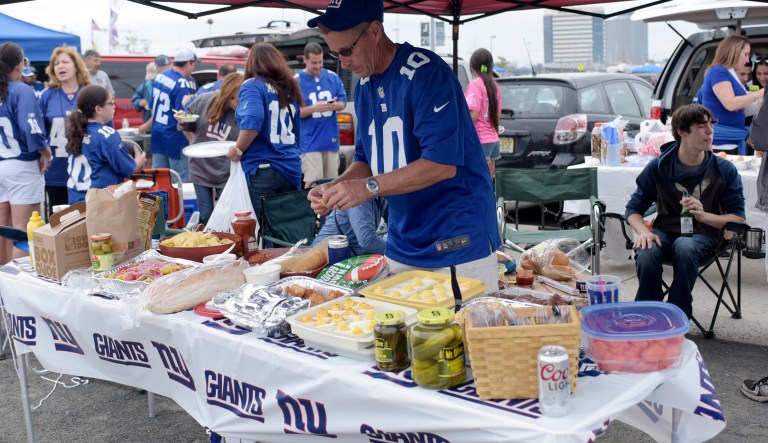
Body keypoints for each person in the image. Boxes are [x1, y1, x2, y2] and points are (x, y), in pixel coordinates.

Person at [305, 0, 501, 289]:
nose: (343, 63)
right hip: (403, 240)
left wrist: (367, 188)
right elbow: (366, 159)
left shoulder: (427, 74)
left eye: (347, 51)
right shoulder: (365, 85)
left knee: (460, 331)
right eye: (335, 54)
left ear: (374, 30)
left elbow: (442, 164)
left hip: (455, 241)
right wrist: (336, 187)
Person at [625, 104, 746, 319]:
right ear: (682, 132)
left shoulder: (724, 169)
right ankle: (648, 314)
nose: (710, 131)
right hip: (666, 232)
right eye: (701, 126)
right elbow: (633, 210)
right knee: (646, 250)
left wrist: (703, 215)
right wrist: (643, 231)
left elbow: (738, 219)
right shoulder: (659, 167)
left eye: (711, 125)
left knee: (685, 245)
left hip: (705, 235)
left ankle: (676, 315)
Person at [226, 42, 302, 241]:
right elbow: (297, 131)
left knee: (267, 232)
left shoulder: (252, 86)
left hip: (263, 168)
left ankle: (271, 270)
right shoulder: (288, 87)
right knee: (288, 231)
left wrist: (239, 148)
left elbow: (253, 122)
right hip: (291, 166)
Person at [0, 42, 52, 263]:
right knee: (23, 230)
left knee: (3, 229)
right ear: (20, 64)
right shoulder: (21, 90)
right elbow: (30, 128)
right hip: (20, 164)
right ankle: (15, 289)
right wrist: (46, 153)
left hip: (2, 164)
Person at [179, 72, 243, 226]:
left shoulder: (243, 112)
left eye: (240, 97)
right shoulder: (205, 100)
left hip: (225, 171)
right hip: (200, 167)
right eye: (233, 97)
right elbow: (188, 123)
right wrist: (183, 120)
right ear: (226, 94)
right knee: (206, 214)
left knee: (225, 213)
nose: (237, 102)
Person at [65, 85, 146, 204]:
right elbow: (126, 168)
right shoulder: (106, 135)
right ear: (98, 109)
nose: (114, 106)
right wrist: (140, 160)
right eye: (111, 102)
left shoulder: (76, 131)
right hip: (99, 205)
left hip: (75, 203)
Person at [39, 46, 91, 216]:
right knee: (58, 226)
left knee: (87, 223)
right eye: (56, 63)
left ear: (76, 65)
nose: (60, 66)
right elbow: (39, 132)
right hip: (56, 171)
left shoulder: (89, 92)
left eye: (65, 62)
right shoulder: (47, 95)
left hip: (86, 170)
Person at [700, 35, 764, 156]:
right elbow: (730, 103)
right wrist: (758, 94)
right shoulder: (718, 72)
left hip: (730, 141)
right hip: (719, 143)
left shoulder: (729, 74)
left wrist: (760, 105)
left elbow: (740, 109)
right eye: (745, 54)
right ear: (734, 51)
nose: (747, 60)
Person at [296, 42, 347, 187]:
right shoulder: (297, 81)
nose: (318, 66)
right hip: (309, 141)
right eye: (313, 62)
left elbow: (342, 103)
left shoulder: (332, 77)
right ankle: (309, 210)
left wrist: (333, 105)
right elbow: (294, 113)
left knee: (332, 183)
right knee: (313, 182)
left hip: (330, 139)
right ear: (305, 60)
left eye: (320, 62)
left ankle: (331, 211)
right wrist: (315, 108)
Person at [150, 49, 198, 181]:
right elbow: (182, 117)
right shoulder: (182, 84)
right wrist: (192, 139)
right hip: (175, 137)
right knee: (181, 180)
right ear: (189, 63)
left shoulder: (160, 76)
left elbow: (152, 108)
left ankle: (155, 203)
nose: (193, 68)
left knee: (158, 179)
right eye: (194, 64)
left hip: (158, 133)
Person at [464, 48, 501, 178]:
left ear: (472, 67)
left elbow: (473, 114)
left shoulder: (475, 85)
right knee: (488, 181)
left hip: (479, 140)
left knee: (475, 180)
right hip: (493, 140)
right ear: (490, 66)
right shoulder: (495, 86)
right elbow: (497, 116)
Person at [312, 197, 388, 255]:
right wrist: (397, 252)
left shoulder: (381, 194)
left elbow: (393, 222)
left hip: (352, 259)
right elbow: (367, 241)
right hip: (327, 262)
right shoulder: (360, 196)